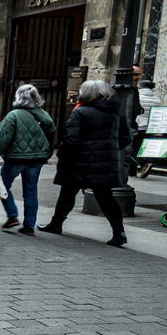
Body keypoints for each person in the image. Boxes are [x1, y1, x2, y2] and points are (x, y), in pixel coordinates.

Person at [39, 80, 131, 246]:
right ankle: (119, 232)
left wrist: (62, 155)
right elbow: (126, 137)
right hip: (104, 162)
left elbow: (71, 139)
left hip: (78, 162)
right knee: (106, 197)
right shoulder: (117, 111)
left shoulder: (80, 111)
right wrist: (108, 150)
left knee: (67, 193)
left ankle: (56, 224)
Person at [0, 84, 56, 236]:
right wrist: (47, 154)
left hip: (15, 159)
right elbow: (51, 136)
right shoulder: (44, 115)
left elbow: (1, 138)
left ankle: (12, 215)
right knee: (30, 191)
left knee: (3, 185)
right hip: (36, 160)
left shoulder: (14, 115)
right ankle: (29, 225)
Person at [136, 76, 162, 177]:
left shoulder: (137, 96)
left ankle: (144, 163)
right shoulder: (156, 99)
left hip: (138, 125)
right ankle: (133, 171)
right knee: (138, 147)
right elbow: (156, 115)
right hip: (148, 127)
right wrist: (157, 131)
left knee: (129, 147)